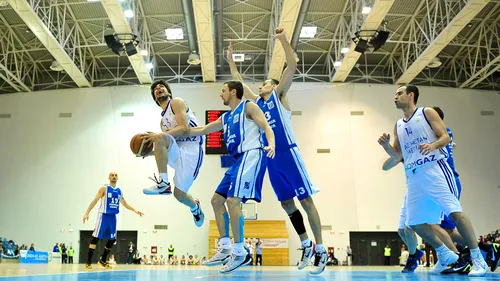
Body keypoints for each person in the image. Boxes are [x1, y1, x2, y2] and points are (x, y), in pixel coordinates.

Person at [227, 27, 327, 275]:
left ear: (273, 86)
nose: (261, 86)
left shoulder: (279, 95)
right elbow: (240, 85)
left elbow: (292, 65)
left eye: (265, 83)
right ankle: (305, 243)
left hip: (289, 154)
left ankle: (322, 249)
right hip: (271, 158)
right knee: (286, 203)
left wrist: (282, 40)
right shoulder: (257, 104)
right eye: (260, 84)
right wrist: (231, 63)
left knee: (306, 200)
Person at [377, 85, 488, 276]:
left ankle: (478, 258)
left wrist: (433, 145)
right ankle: (445, 255)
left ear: (411, 95)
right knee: (414, 223)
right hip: (413, 177)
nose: (395, 97)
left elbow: (445, 136)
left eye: (399, 93)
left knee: (455, 214)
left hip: (435, 170)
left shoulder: (426, 112)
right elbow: (397, 155)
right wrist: (387, 146)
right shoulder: (398, 125)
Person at [184, 80, 275, 274]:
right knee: (216, 200)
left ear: (233, 92)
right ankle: (225, 247)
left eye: (223, 90)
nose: (220, 94)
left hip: (252, 154)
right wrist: (174, 134)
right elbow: (202, 130)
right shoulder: (226, 118)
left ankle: (240, 251)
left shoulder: (248, 106)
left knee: (233, 200)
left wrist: (272, 144)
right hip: (237, 162)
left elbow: (267, 127)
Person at [141, 80, 205, 227]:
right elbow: (164, 143)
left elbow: (185, 128)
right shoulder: (162, 122)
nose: (159, 89)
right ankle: (164, 183)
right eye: (156, 89)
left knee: (179, 195)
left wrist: (159, 137)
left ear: (169, 92)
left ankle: (195, 208)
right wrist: (148, 152)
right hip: (177, 148)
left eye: (162, 87)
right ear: (155, 99)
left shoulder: (176, 102)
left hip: (191, 149)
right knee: (160, 137)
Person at [82, 172, 144, 269]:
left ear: (118, 177)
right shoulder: (104, 188)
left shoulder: (119, 191)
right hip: (103, 216)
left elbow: (124, 203)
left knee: (112, 239)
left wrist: (135, 210)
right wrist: (87, 213)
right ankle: (88, 262)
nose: (114, 176)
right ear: (109, 177)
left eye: (116, 175)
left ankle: (102, 260)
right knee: (96, 238)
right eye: (112, 175)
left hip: (113, 217)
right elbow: (95, 200)